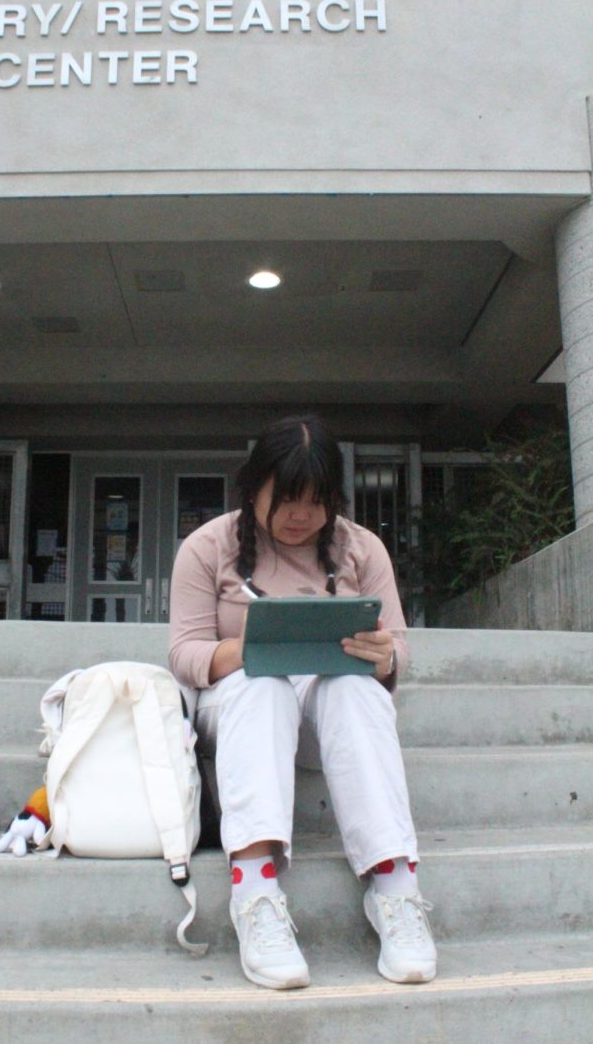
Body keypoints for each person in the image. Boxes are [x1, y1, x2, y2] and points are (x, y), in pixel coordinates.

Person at [168, 414, 436, 991]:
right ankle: (256, 890)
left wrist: (383, 654)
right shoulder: (208, 547)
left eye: (316, 503)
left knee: (354, 686)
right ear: (253, 488)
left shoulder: (360, 549)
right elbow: (184, 653)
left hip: (325, 715)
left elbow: (400, 651)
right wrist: (249, 650)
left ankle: (395, 887)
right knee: (263, 682)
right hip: (238, 708)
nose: (300, 516)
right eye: (286, 499)